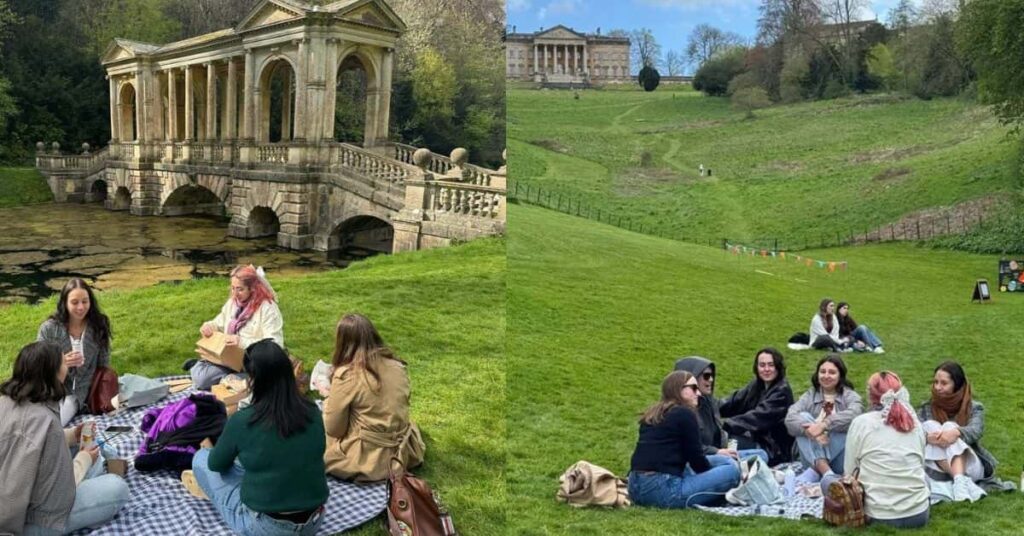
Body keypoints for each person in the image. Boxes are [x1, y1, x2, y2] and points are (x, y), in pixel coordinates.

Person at [184, 340, 328, 535]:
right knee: (246, 464)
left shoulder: (244, 420)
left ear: (252, 379)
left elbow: (216, 464)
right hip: (314, 521)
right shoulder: (312, 411)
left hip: (267, 527)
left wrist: (209, 448)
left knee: (201, 459)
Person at [0, 341, 130, 535]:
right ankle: (100, 474)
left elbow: (29, 442)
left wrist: (72, 436)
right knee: (117, 487)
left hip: (16, 498)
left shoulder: (5, 401)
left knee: (87, 447)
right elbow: (59, 492)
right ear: (51, 373)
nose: (66, 366)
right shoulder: (46, 422)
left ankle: (98, 467)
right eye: (63, 362)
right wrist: (85, 458)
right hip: (29, 521)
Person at [320, 314, 425, 482]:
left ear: (343, 343)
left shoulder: (347, 375)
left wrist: (329, 402)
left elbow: (334, 429)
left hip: (366, 459)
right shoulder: (398, 366)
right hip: (403, 451)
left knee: (315, 428)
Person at [822, 371, 928, 528]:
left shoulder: (861, 423)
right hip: (918, 515)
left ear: (871, 396)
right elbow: (920, 465)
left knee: (826, 481)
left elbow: (849, 474)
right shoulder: (915, 423)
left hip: (877, 515)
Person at [627, 370, 741, 508]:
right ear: (677, 389)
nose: (698, 393)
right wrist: (713, 475)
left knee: (725, 460)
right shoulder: (685, 413)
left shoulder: (654, 413)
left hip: (634, 486)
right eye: (693, 388)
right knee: (732, 471)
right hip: (663, 490)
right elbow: (697, 462)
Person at [917, 361, 1014, 498]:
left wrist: (957, 432)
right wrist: (928, 437)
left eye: (944, 383)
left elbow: (976, 430)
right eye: (935, 382)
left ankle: (961, 480)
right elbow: (913, 432)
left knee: (950, 427)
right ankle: (962, 482)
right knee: (929, 426)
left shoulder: (974, 407)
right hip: (938, 467)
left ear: (956, 384)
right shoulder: (926, 407)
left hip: (971, 464)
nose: (937, 387)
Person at [190, 265, 284, 390]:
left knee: (202, 379)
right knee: (202, 379)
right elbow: (219, 322)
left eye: (240, 289)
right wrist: (209, 326)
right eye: (233, 288)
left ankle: (237, 378)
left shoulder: (268, 308)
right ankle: (232, 377)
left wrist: (241, 342)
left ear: (252, 289)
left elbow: (275, 345)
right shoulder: (233, 303)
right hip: (232, 358)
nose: (235, 294)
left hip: (255, 362)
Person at [37, 278, 114, 426]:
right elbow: (38, 366)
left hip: (78, 396)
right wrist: (61, 362)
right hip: (50, 389)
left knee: (49, 424)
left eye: (85, 301)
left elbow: (103, 366)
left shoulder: (98, 326)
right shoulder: (49, 329)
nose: (80, 307)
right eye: (74, 302)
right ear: (64, 303)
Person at [785, 354, 863, 485]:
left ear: (840, 375)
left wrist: (825, 425)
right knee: (803, 418)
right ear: (817, 374)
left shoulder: (850, 396)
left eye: (832, 372)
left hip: (840, 459)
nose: (826, 376)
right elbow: (790, 417)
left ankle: (817, 471)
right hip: (810, 456)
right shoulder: (810, 395)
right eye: (822, 372)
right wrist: (810, 431)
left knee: (845, 424)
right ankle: (825, 471)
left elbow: (856, 412)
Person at [673, 356, 768, 463]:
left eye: (712, 375)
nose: (711, 379)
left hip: (720, 450)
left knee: (761, 454)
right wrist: (717, 452)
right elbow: (689, 448)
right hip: (702, 459)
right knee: (733, 465)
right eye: (706, 376)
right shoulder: (680, 412)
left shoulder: (707, 402)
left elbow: (734, 402)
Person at [718, 348, 795, 465]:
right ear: (756, 367)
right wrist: (709, 407)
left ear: (778, 367)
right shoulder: (757, 384)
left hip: (773, 449)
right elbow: (734, 402)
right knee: (721, 439)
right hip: (756, 439)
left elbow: (756, 418)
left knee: (728, 441)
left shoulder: (781, 392)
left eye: (771, 365)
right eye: (762, 365)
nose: (766, 369)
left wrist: (724, 425)